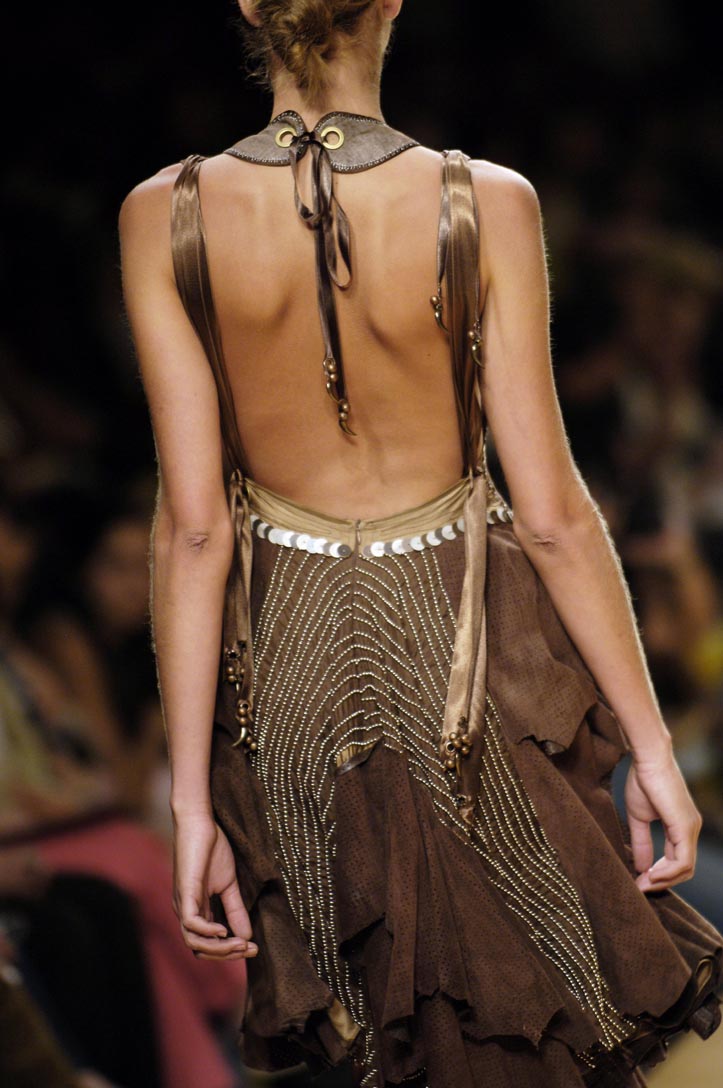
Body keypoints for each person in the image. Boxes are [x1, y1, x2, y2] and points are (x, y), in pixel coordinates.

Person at [118, 2, 722, 1086]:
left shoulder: (166, 213)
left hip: (291, 675)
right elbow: (552, 514)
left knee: (376, 1040)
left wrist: (191, 803)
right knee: (527, 1025)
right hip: (474, 658)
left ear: (250, 10)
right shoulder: (484, 201)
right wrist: (652, 750)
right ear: (390, 4)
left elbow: (194, 526)